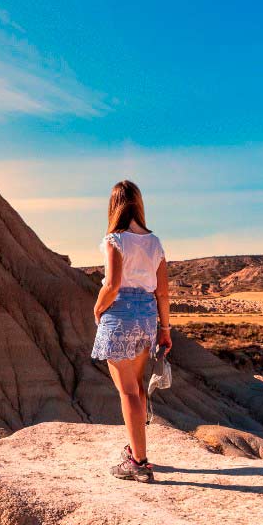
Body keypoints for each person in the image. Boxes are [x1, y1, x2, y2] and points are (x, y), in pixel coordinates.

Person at [92, 180, 171, 483]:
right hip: (148, 315)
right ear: (139, 204)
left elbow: (112, 285)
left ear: (114, 206)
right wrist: (165, 329)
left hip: (121, 312)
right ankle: (137, 453)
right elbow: (163, 293)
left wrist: (98, 308)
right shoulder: (155, 242)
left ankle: (139, 462)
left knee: (127, 391)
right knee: (136, 388)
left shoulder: (115, 240)